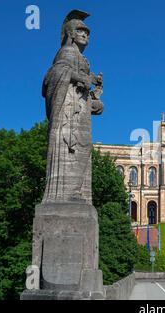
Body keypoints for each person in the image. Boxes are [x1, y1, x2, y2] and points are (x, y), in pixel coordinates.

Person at [41, 10, 104, 204]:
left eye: (87, 32)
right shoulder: (67, 52)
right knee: (75, 148)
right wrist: (84, 78)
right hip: (68, 113)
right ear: (71, 34)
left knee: (83, 149)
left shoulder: (81, 57)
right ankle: (68, 194)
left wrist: (94, 100)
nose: (85, 35)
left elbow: (79, 88)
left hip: (79, 112)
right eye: (81, 31)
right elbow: (55, 74)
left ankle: (75, 192)